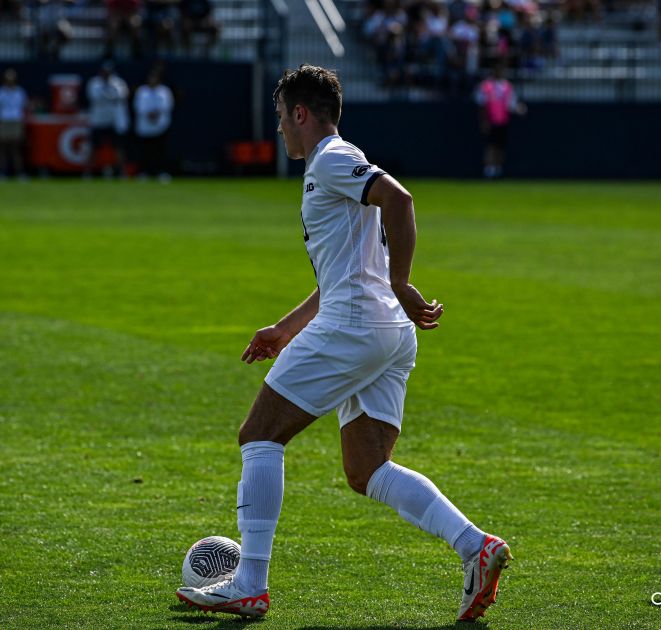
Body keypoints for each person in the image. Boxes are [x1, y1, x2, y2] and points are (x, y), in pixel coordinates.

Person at [175, 64, 512, 622]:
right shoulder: (339, 164)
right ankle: (476, 546)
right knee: (367, 470)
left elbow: (400, 201)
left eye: (282, 117)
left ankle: (249, 584)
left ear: (301, 114)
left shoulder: (330, 158)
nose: (280, 128)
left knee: (259, 434)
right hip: (384, 333)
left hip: (355, 325)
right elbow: (346, 270)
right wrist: (286, 328)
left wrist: (403, 282)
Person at [475, 63, 526, 179]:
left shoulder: (507, 86)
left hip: (503, 121)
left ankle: (498, 168)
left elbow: (511, 104)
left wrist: (518, 109)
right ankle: (489, 169)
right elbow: (481, 104)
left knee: (500, 146)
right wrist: (484, 120)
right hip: (491, 120)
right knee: (491, 145)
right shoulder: (486, 86)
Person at [85, 61, 129, 178]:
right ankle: (89, 172)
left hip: (115, 121)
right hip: (98, 120)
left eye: (108, 72)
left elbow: (122, 96)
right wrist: (110, 96)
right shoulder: (94, 83)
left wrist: (108, 95)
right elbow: (95, 97)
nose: (106, 74)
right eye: (104, 72)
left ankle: (121, 172)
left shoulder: (118, 83)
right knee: (94, 147)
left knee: (119, 148)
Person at [133, 68, 173, 181]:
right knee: (145, 151)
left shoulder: (164, 91)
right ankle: (144, 172)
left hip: (160, 126)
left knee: (160, 151)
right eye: (151, 78)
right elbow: (139, 107)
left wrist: (156, 113)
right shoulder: (142, 91)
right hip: (145, 126)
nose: (152, 80)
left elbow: (167, 106)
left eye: (154, 78)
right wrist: (148, 114)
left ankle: (161, 172)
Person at [0, 68, 28, 179]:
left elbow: (24, 108)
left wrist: (21, 122)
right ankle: (1, 173)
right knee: (3, 149)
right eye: (8, 78)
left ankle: (19, 173)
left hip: (16, 121)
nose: (10, 80)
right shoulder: (0, 92)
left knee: (16, 149)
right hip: (3, 121)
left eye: (12, 78)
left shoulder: (20, 92)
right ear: (5, 79)